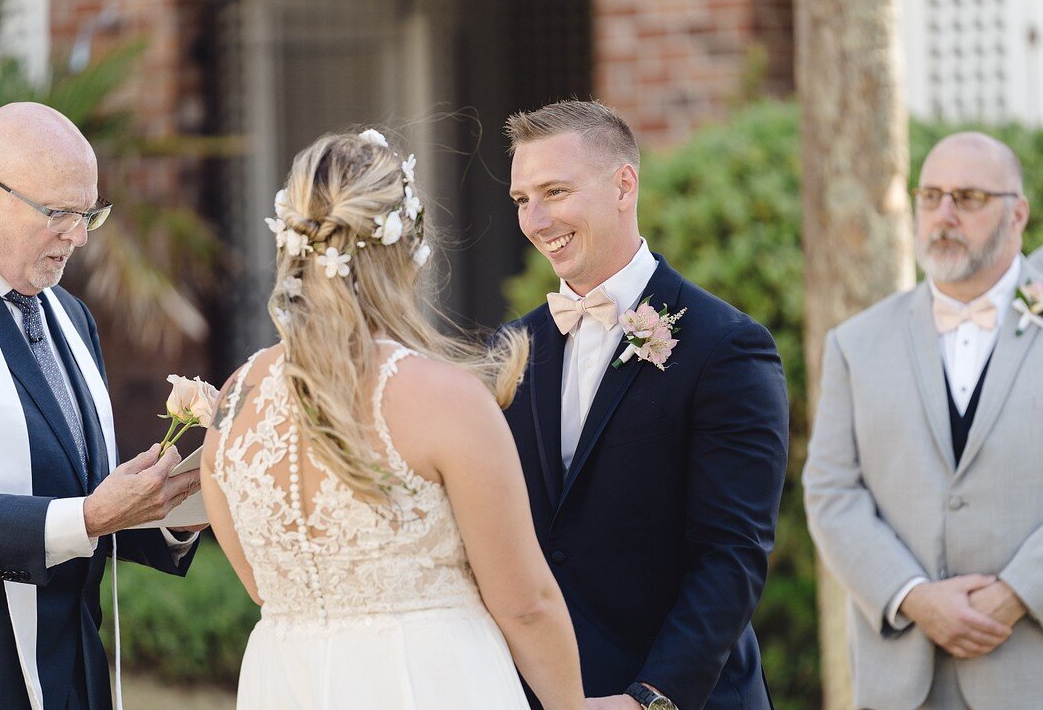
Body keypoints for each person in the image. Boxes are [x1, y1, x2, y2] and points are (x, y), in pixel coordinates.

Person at [199, 129, 585, 710]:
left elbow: (261, 585)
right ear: (407, 246)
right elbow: (524, 604)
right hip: (429, 682)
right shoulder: (446, 400)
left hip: (287, 683)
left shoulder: (235, 398)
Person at [502, 100, 789, 710]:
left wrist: (649, 699)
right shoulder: (508, 351)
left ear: (623, 186)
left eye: (555, 191)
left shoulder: (727, 347)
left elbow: (731, 555)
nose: (536, 218)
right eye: (522, 199)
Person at [0, 102, 203, 710]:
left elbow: (85, 485)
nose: (78, 235)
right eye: (58, 213)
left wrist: (175, 511)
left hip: (78, 672)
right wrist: (91, 517)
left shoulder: (71, 317)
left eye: (89, 213)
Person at [804, 131, 1043, 710]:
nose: (944, 215)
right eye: (930, 196)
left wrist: (1019, 590)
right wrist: (912, 595)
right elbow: (832, 490)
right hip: (903, 678)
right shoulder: (855, 344)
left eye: (968, 198)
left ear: (1018, 214)